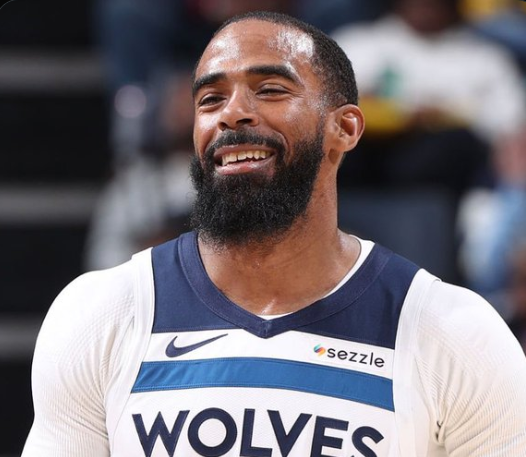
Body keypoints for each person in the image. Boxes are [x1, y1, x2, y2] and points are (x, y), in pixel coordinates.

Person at [22, 11, 526, 457]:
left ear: (345, 128)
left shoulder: (453, 331)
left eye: (270, 90)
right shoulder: (102, 312)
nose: (231, 113)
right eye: (210, 99)